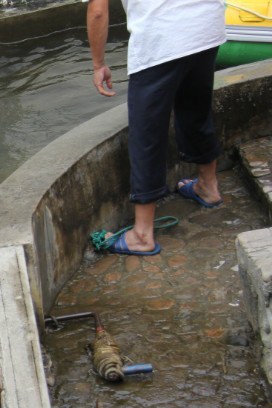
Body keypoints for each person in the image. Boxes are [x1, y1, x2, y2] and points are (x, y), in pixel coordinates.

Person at [87, 0, 226, 256]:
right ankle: (208, 186)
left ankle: (141, 234)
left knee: (146, 132)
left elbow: (98, 11)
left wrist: (98, 64)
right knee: (195, 107)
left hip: (160, 36)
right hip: (206, 24)